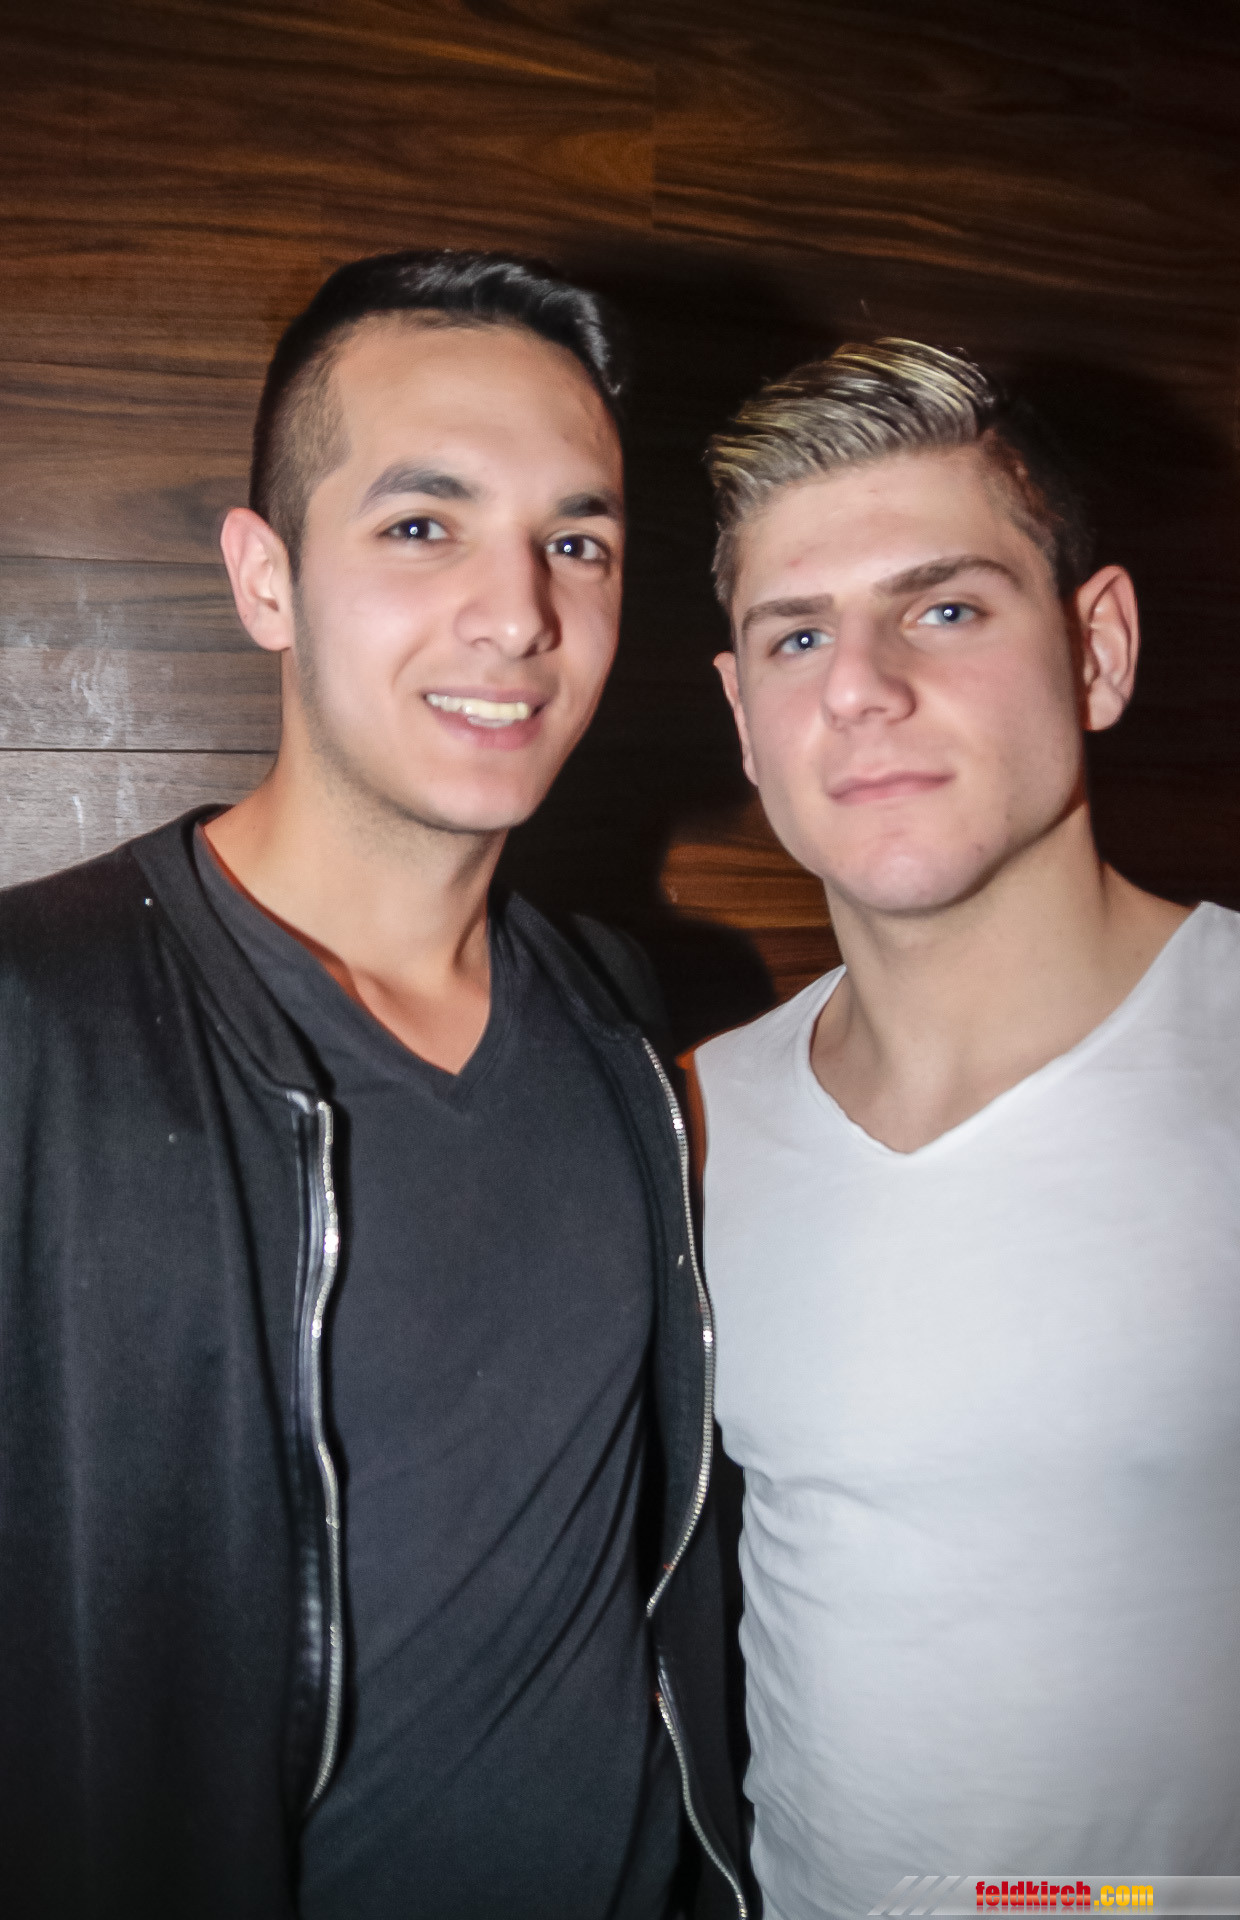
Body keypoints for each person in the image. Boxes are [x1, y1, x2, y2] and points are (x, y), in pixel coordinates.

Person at [0, 249, 749, 1920]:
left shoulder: (623, 1019)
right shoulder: (40, 1019)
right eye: (423, 526)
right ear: (266, 579)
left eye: (577, 542)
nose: (520, 613)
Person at [690, 341, 1240, 1919]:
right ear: (745, 718)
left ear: (1097, 649)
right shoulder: (688, 1122)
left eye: (945, 609)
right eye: (798, 634)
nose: (861, 687)